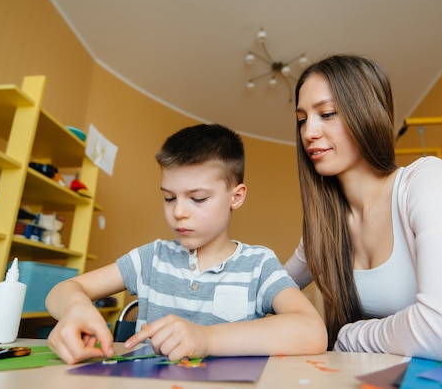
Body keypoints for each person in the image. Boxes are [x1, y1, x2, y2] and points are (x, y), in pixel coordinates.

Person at [284, 54, 442, 365]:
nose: (309, 132)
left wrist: (349, 336)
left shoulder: (429, 182)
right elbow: (271, 288)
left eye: (328, 113)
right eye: (302, 120)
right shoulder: (324, 230)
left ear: (367, 114)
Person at [46, 123, 327, 364]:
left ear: (236, 197)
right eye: (169, 198)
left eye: (198, 198)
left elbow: (312, 331)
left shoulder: (258, 264)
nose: (179, 211)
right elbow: (63, 290)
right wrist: (75, 307)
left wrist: (207, 338)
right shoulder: (151, 258)